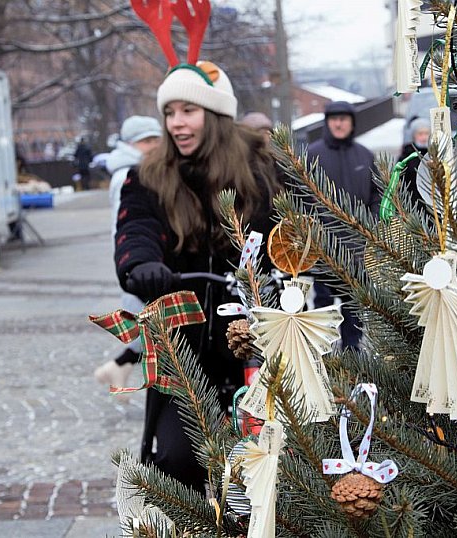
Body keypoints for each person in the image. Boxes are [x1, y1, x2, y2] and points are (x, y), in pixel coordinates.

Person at [114, 62, 280, 492]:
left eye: (188, 110)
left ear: (215, 114)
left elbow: (292, 228)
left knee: (270, 461)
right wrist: (141, 265)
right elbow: (136, 230)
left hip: (256, 338)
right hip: (183, 347)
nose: (176, 123)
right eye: (170, 113)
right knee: (176, 459)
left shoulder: (261, 168)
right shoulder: (148, 176)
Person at [93, 116, 162, 398]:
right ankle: (121, 366)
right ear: (132, 144)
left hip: (138, 257)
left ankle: (119, 366)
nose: (154, 146)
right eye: (147, 141)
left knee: (148, 323)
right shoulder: (129, 174)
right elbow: (128, 224)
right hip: (137, 260)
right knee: (150, 324)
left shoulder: (135, 169)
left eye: (157, 140)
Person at [307, 100, 378, 349]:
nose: (339, 123)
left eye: (344, 119)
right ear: (327, 123)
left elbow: (377, 195)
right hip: (323, 246)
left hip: (356, 248)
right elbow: (301, 195)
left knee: (354, 304)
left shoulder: (365, 155)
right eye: (334, 119)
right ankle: (323, 349)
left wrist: (372, 226)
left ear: (352, 123)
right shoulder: (312, 154)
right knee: (324, 302)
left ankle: (352, 350)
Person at [397, 117, 431, 207]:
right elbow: (399, 181)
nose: (424, 137)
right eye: (420, 134)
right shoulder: (406, 156)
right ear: (414, 135)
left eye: (427, 133)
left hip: (433, 204)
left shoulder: (435, 154)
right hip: (413, 204)